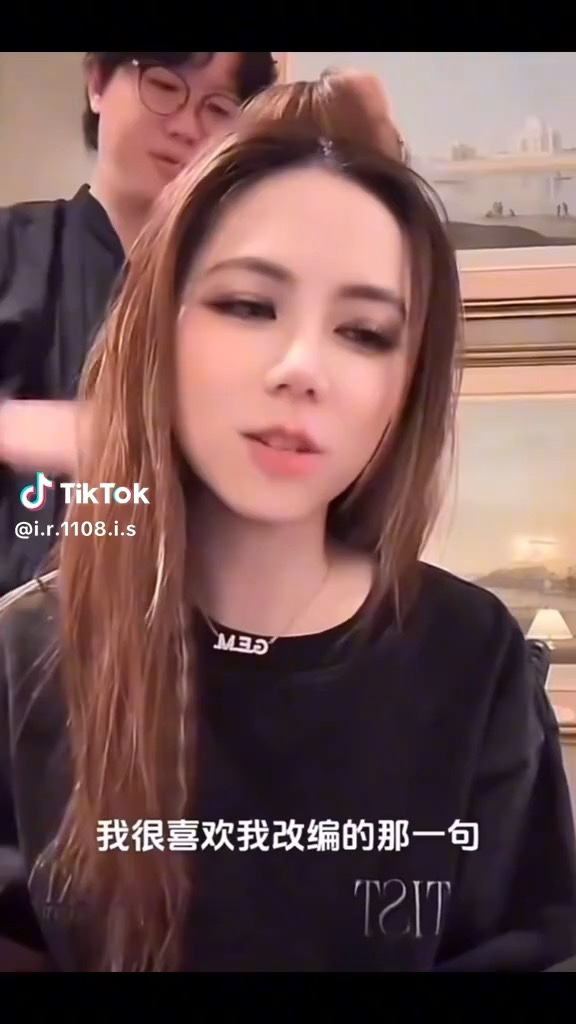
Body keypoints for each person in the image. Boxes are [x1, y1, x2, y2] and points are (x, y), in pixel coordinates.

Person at [1, 85, 576, 974]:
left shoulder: (473, 658)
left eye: (364, 331)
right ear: (160, 329)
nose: (303, 367)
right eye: (248, 306)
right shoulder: (25, 654)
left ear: (406, 383)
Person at [0, 51, 276, 596]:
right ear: (98, 83)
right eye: (165, 87)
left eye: (219, 108)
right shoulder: (10, 249)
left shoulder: (253, 297)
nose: (188, 127)